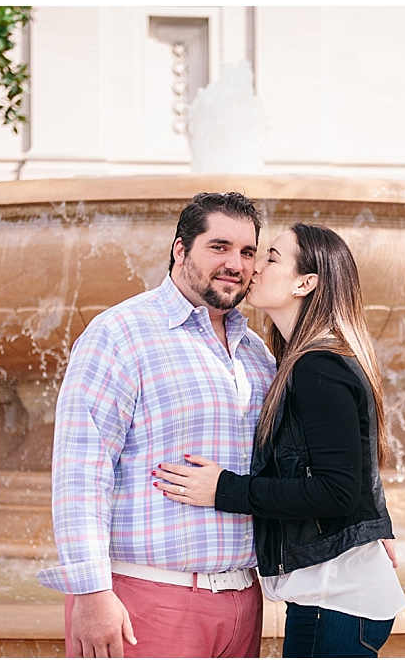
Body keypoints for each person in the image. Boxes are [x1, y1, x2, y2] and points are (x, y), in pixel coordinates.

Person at [37, 192, 276, 658]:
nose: (236, 263)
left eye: (248, 252)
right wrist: (90, 591)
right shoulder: (120, 332)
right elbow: (82, 468)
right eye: (219, 247)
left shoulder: (257, 353)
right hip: (144, 599)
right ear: (180, 249)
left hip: (243, 601)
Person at [154, 222, 405, 658]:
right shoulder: (306, 360)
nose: (253, 268)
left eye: (271, 258)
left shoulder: (318, 367)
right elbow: (353, 462)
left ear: (305, 283)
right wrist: (375, 520)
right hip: (341, 601)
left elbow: (336, 491)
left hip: (335, 603)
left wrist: (224, 489)